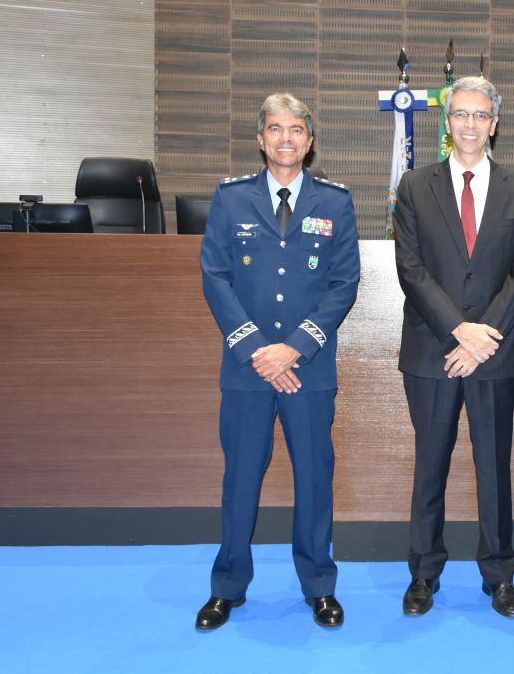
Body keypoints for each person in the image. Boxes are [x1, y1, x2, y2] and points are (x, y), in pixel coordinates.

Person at [195, 93, 360, 631]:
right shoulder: (231, 197)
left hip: (307, 368)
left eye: (296, 129)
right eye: (275, 129)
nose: (286, 138)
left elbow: (343, 282)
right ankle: (228, 587)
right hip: (246, 369)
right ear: (261, 138)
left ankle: (319, 586)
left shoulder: (335, 201)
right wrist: (253, 349)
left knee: (314, 477)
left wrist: (297, 346)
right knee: (241, 477)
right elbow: (215, 275)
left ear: (309, 141)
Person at [392, 75, 514, 619]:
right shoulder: (413, 185)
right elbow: (410, 269)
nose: (471, 124)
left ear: (494, 124)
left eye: (481, 115)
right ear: (447, 122)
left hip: (497, 353)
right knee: (430, 464)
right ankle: (423, 574)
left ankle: (499, 575)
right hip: (432, 349)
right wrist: (460, 330)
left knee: (494, 466)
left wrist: (483, 340)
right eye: (461, 114)